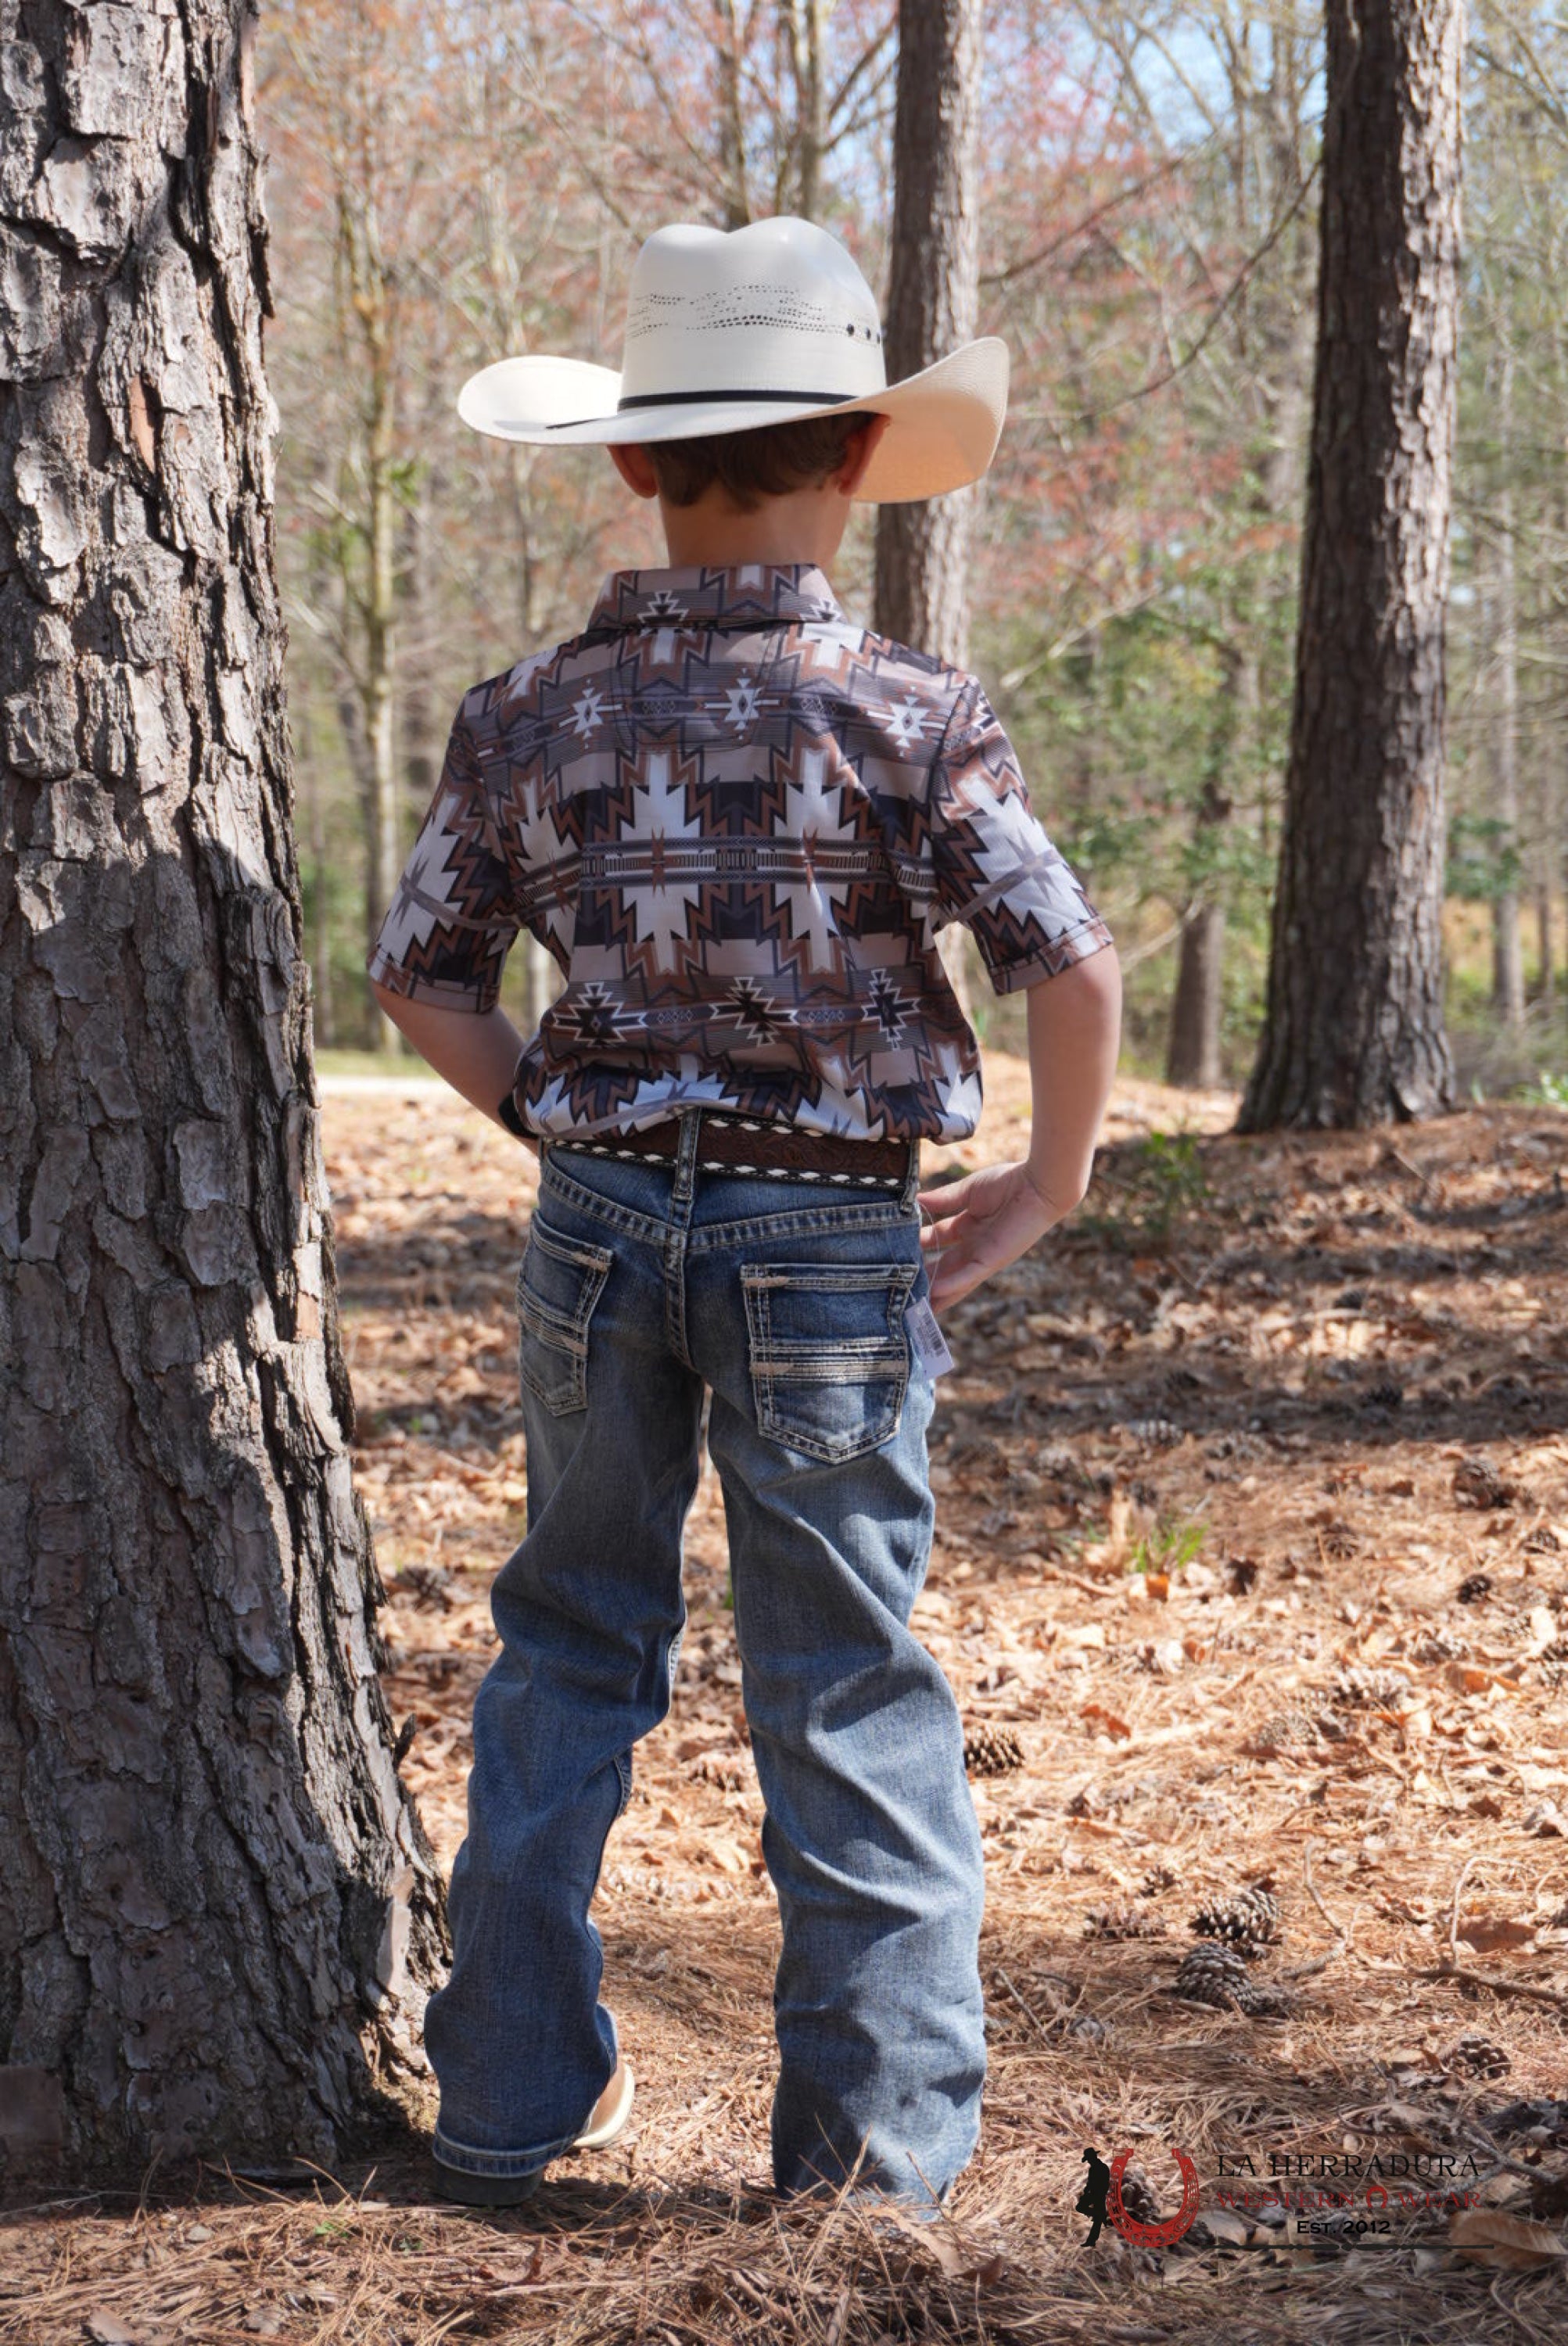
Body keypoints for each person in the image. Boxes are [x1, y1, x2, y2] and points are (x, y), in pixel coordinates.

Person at [367, 216, 1122, 2212]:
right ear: (862, 456)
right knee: (844, 1686)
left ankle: (505, 2105)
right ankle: (867, 2187)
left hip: (596, 1230)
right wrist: (1047, 1179)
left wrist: (570, 1127)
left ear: (629, 456)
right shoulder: (911, 712)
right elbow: (1069, 964)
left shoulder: (523, 716)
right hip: (832, 1246)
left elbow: (421, 978)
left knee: (564, 1644)